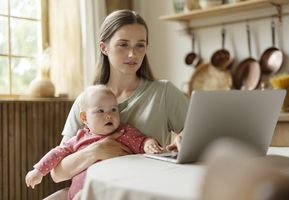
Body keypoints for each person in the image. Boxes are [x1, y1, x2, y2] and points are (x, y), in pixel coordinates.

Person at [44, 9, 189, 200]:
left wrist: (185, 141)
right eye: (123, 44)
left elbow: (198, 134)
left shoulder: (164, 92)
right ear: (104, 48)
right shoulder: (86, 101)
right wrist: (95, 150)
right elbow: (58, 173)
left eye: (140, 45)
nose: (132, 53)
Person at [25, 85, 163, 199]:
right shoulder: (79, 138)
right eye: (100, 111)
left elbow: (142, 141)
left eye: (113, 109)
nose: (109, 115)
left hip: (104, 194)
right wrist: (39, 170)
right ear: (84, 117)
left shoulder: (125, 133)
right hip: (72, 195)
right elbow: (57, 153)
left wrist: (149, 143)